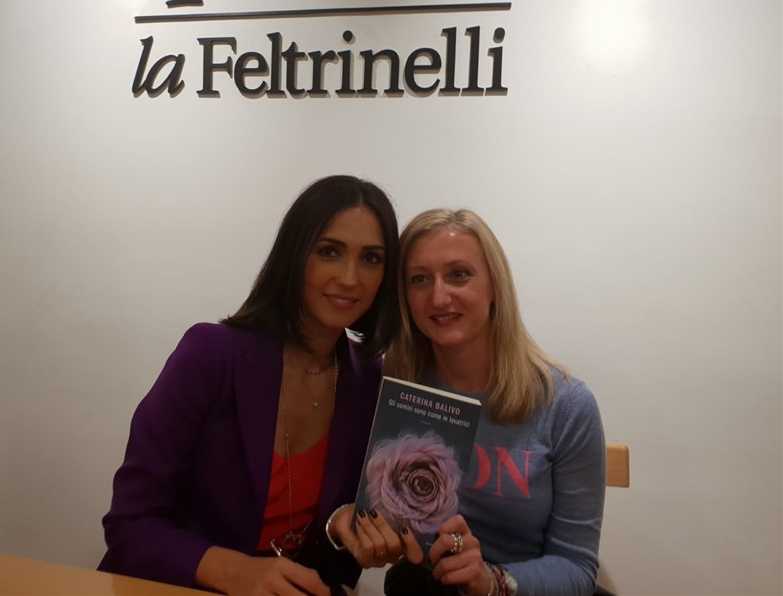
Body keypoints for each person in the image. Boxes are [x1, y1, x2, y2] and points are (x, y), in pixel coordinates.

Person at [98, 175, 402, 595]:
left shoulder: (369, 381)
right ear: (294, 255)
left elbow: (328, 559)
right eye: (329, 252)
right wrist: (235, 571)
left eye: (371, 258)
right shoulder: (210, 354)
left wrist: (339, 528)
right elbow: (130, 524)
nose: (350, 278)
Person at [380, 209, 606, 596]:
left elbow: (577, 567)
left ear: (495, 287)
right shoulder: (397, 384)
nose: (439, 297)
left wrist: (491, 581)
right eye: (419, 279)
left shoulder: (566, 405)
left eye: (459, 274)